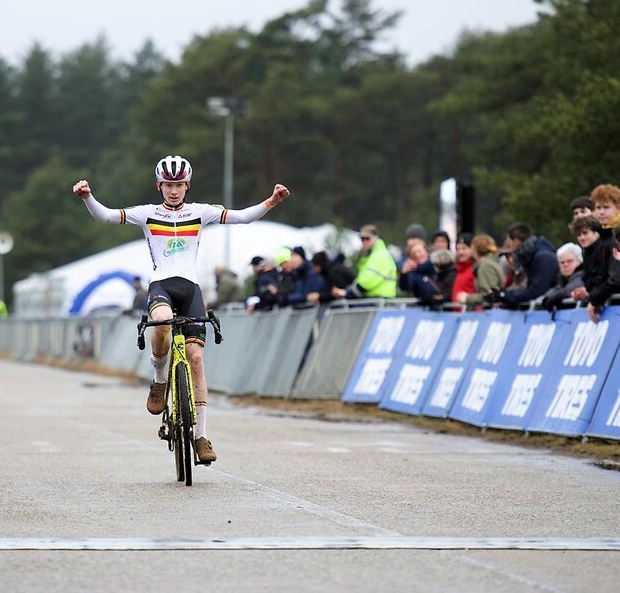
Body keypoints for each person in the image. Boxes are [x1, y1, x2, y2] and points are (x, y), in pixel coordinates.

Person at [73, 155, 290, 464]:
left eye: (178, 185)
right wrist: (88, 197)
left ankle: (201, 435)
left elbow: (241, 217)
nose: (173, 191)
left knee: (197, 359)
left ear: (187, 185)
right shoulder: (148, 214)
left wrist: (271, 201)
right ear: (159, 186)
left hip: (190, 289)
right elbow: (107, 217)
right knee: (161, 321)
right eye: (168, 185)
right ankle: (160, 380)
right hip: (161, 285)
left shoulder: (199, 213)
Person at [581, 184, 620, 323]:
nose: (601, 212)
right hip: (615, 305)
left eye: (606, 207)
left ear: (618, 207)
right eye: (598, 208)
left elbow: (617, 278)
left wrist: (595, 298)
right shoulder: (603, 235)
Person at [488, 223, 559, 308]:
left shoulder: (543, 258)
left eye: (509, 242)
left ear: (516, 241)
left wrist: (504, 296)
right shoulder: (531, 256)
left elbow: (536, 292)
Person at [334, 224, 398, 299]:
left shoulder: (379, 255)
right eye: (362, 239)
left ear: (375, 238)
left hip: (378, 300)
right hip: (375, 299)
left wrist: (348, 293)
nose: (364, 241)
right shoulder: (370, 257)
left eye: (367, 238)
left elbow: (368, 281)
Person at [534, 243, 586, 311]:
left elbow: (570, 289)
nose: (566, 265)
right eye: (562, 262)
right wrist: (547, 298)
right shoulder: (561, 280)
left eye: (569, 261)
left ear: (579, 262)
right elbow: (556, 289)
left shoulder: (582, 275)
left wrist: (554, 297)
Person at [462, 235, 504, 308]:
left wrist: (467, 298)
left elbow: (489, 295)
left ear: (475, 249)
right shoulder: (493, 262)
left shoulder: (485, 266)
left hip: (490, 314)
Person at [450, 232, 476, 304]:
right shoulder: (455, 269)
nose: (460, 252)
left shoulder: (476, 269)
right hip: (456, 313)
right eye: (458, 249)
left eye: (464, 248)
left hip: (471, 313)